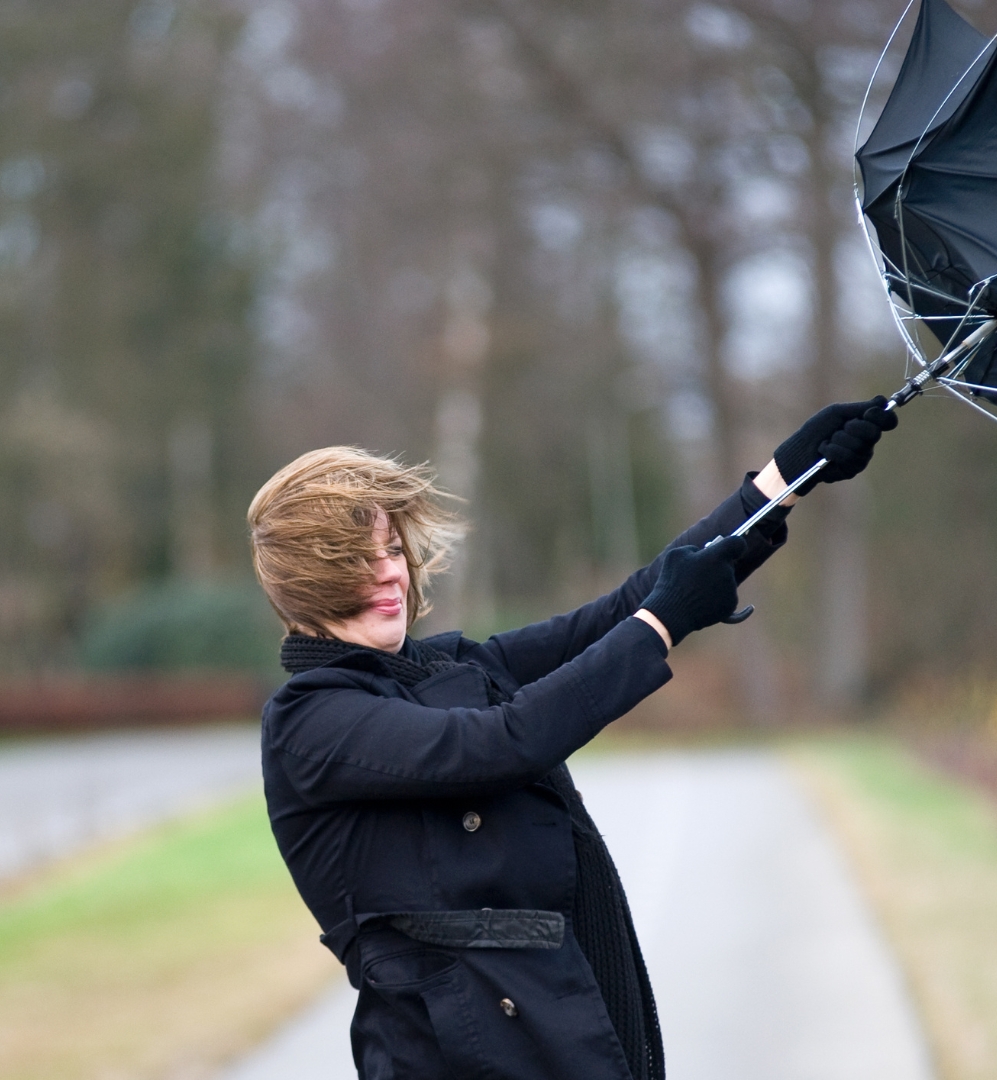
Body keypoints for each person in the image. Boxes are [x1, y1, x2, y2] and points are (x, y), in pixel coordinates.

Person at [247, 398, 897, 1080]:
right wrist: (662, 624)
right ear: (305, 581)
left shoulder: (447, 667)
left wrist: (780, 484)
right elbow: (500, 744)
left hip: (555, 1028)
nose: (389, 573)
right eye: (356, 559)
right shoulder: (310, 722)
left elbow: (623, 609)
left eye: (391, 549)